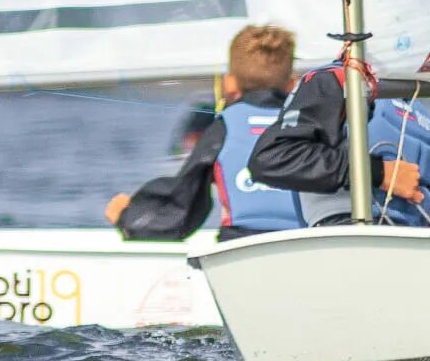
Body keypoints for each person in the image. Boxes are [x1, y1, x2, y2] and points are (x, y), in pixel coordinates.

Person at [246, 49, 430, 229]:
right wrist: (378, 173)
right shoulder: (334, 84)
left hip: (412, 246)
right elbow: (270, 159)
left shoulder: (420, 114)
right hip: (349, 243)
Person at [106, 24, 303, 241]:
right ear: (293, 84)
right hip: (305, 245)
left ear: (228, 83)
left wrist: (128, 216)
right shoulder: (311, 124)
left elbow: (182, 207)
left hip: (240, 245)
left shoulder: (224, 126)